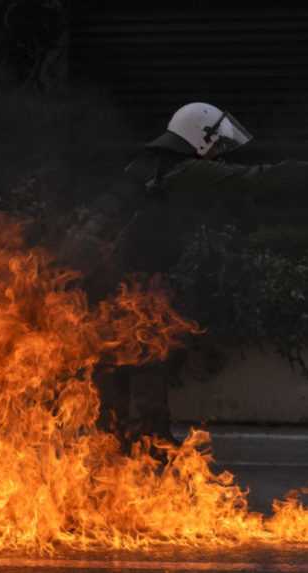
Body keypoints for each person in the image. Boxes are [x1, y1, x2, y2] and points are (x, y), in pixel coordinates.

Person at [114, 102, 308, 443]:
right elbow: (256, 180)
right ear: (198, 138)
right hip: (135, 284)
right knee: (148, 361)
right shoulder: (186, 173)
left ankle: (129, 443)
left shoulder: (147, 167)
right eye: (216, 144)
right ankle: (146, 444)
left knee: (128, 364)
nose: (218, 153)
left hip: (116, 282)